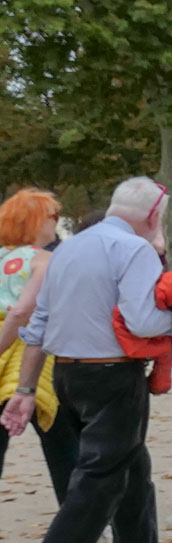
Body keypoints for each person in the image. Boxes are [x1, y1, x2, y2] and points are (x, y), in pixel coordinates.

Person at [0, 176, 172, 543]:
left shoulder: (69, 249)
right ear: (154, 216)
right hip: (113, 374)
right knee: (98, 481)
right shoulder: (134, 250)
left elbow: (38, 324)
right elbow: (143, 321)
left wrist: (26, 389)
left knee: (132, 466)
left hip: (67, 373)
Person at [0, 188, 77, 502]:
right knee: (61, 439)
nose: (56, 222)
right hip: (29, 353)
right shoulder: (44, 260)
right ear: (34, 221)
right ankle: (78, 518)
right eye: (52, 216)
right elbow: (22, 311)